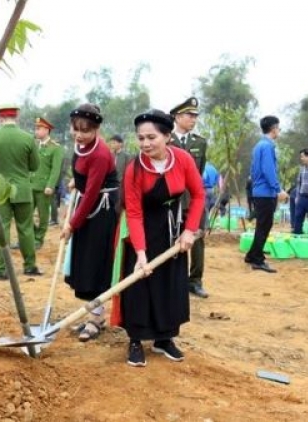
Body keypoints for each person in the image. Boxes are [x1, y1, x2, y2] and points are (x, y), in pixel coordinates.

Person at [120, 109, 204, 367]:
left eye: (151, 137)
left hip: (173, 232)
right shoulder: (134, 169)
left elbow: (199, 195)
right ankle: (135, 340)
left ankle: (164, 339)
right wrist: (141, 254)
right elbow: (133, 213)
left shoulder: (183, 159)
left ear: (167, 136)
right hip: (142, 231)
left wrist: (189, 231)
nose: (145, 144)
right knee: (139, 286)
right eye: (141, 138)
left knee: (170, 283)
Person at [61, 104, 118, 341]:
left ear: (96, 129)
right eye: (76, 129)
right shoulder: (81, 146)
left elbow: (93, 191)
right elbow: (84, 178)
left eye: (85, 130)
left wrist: (71, 224)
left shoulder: (101, 154)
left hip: (101, 212)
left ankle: (96, 320)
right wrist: (77, 182)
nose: (79, 134)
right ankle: (94, 314)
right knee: (84, 264)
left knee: (94, 265)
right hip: (87, 205)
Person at [0, 104, 41, 279]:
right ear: (16, 117)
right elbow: (35, 166)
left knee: (3, 228)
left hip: (0, 190)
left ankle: (2, 269)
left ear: (0, 118)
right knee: (26, 228)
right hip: (23, 190)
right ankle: (30, 266)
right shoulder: (28, 138)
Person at [169, 97, 209, 299]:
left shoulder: (200, 143)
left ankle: (195, 280)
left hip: (193, 200)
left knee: (197, 239)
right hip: (172, 200)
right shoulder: (166, 141)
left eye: (195, 116)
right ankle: (174, 280)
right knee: (172, 238)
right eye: (189, 115)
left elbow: (198, 174)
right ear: (177, 117)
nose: (193, 119)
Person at [244, 115, 287, 273]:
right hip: (266, 193)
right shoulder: (268, 146)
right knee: (264, 225)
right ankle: (257, 260)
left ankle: (252, 254)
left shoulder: (258, 145)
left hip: (259, 190)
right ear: (274, 128)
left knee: (262, 225)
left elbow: (254, 170)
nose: (279, 131)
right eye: (279, 128)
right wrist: (278, 189)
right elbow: (268, 170)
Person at [31, 117, 63, 249]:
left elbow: (55, 169)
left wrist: (50, 185)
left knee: (43, 215)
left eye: (38, 129)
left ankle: (38, 239)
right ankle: (31, 236)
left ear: (46, 130)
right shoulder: (33, 145)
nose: (36, 131)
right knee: (25, 214)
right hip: (30, 185)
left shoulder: (55, 148)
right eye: (36, 128)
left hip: (44, 188)